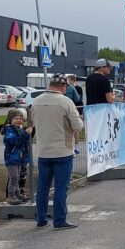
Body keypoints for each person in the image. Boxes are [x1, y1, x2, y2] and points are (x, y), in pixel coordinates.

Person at [31, 74, 84, 230]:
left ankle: (41, 219)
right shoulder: (65, 102)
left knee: (43, 188)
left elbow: (33, 121)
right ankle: (59, 220)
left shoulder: (36, 101)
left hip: (43, 150)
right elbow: (78, 126)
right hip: (62, 150)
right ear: (63, 86)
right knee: (61, 187)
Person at [2, 108, 32, 205]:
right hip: (11, 158)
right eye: (16, 119)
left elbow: (24, 143)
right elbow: (16, 141)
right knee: (14, 177)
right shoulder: (9, 131)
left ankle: (17, 194)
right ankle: (11, 196)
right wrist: (26, 133)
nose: (18, 120)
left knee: (18, 177)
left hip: (19, 158)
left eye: (20, 119)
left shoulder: (20, 130)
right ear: (11, 120)